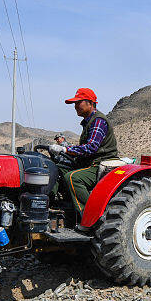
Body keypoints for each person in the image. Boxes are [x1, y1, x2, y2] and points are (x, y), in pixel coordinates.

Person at [50, 88, 120, 216]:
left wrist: (65, 149)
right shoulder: (88, 122)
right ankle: (52, 204)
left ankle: (90, 216)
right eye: (75, 104)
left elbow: (91, 147)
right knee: (56, 168)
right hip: (88, 162)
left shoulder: (98, 121)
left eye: (78, 102)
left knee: (72, 178)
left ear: (90, 103)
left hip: (99, 164)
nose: (76, 106)